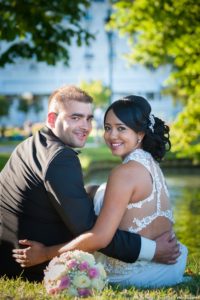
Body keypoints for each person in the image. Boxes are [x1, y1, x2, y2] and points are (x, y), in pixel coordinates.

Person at [12, 95, 185, 287]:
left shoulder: (124, 173)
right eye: (108, 128)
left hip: (133, 274)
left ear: (140, 134)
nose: (112, 136)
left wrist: (44, 253)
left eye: (121, 128)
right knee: (95, 190)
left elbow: (100, 238)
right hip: (170, 266)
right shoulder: (151, 164)